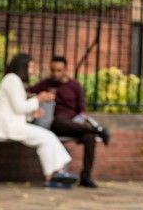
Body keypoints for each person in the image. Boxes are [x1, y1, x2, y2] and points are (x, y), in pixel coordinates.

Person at [0, 53, 78, 189]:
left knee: (46, 138)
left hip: (14, 124)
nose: (32, 70)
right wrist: (39, 99)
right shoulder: (12, 80)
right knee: (47, 137)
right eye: (30, 66)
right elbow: (19, 107)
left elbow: (18, 109)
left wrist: (32, 114)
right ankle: (56, 174)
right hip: (7, 127)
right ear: (23, 66)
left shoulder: (15, 80)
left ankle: (55, 174)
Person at [28, 55, 111, 188]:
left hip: (75, 124)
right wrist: (39, 101)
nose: (55, 74)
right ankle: (98, 130)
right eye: (53, 70)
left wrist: (78, 122)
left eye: (59, 70)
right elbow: (29, 92)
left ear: (66, 70)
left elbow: (82, 111)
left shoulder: (75, 86)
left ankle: (86, 177)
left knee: (89, 138)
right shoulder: (46, 84)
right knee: (60, 120)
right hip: (56, 123)